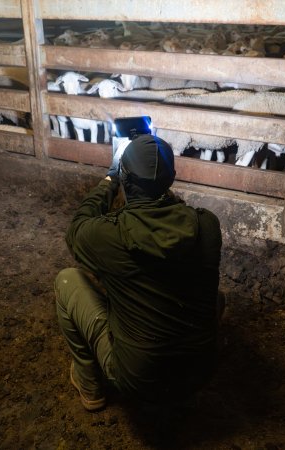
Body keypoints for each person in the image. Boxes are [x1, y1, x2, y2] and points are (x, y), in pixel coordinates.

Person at [55, 133, 222, 411]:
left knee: (67, 280)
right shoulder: (207, 226)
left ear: (126, 180)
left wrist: (111, 179)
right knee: (214, 297)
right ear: (171, 178)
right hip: (199, 374)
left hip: (138, 379)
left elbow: (76, 228)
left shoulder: (108, 236)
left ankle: (91, 384)